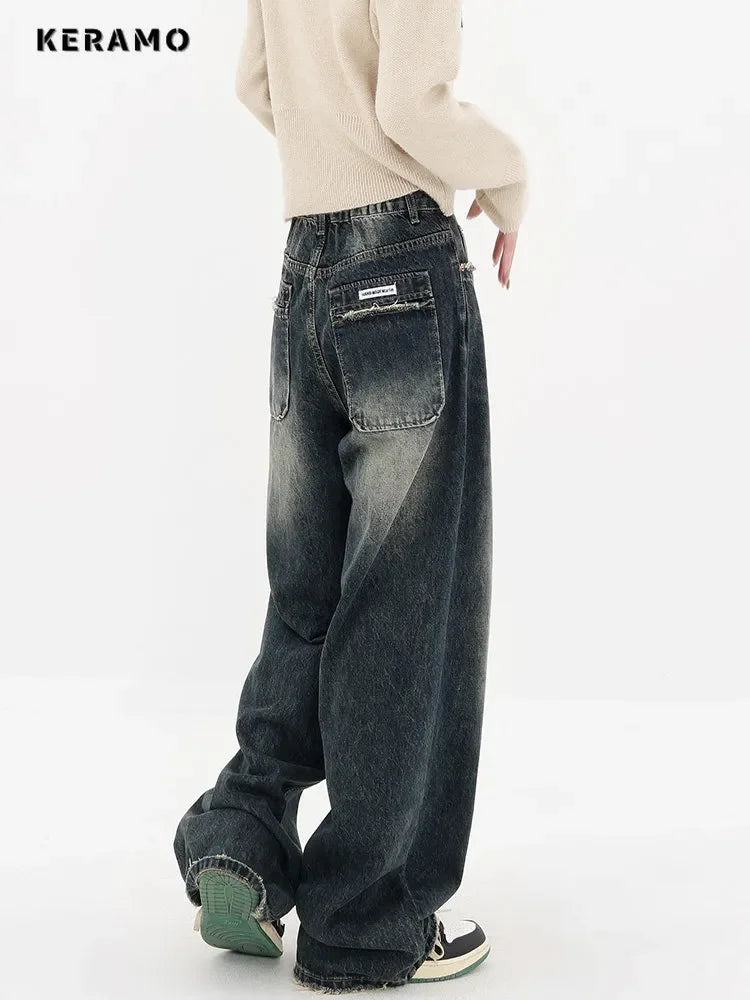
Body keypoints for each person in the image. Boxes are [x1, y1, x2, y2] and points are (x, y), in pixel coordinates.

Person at [173, 0, 528, 991]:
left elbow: (257, 82)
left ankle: (243, 834)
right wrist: (508, 175)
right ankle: (365, 921)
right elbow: (413, 106)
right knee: (402, 605)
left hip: (306, 274)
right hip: (404, 269)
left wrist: (329, 152)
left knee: (308, 591)